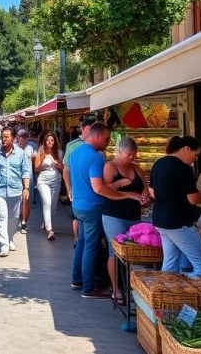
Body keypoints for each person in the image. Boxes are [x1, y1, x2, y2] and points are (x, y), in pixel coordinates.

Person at [69, 122, 137, 299]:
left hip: (78, 205)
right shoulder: (96, 158)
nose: (108, 142)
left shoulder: (75, 152)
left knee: (82, 243)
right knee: (91, 246)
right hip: (93, 206)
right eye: (107, 138)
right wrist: (125, 194)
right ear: (97, 136)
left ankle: (77, 280)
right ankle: (89, 288)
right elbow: (99, 188)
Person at [150, 135, 201, 277]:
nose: (195, 159)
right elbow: (193, 199)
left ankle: (168, 295)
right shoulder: (184, 169)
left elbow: (152, 192)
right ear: (186, 149)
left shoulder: (158, 164)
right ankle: (193, 296)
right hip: (179, 222)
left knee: (170, 262)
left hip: (160, 219)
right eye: (195, 155)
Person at [101, 136, 149, 305]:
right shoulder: (110, 166)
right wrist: (121, 184)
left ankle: (131, 286)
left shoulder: (137, 169)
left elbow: (144, 189)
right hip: (114, 214)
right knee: (115, 251)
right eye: (129, 154)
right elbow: (103, 189)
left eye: (134, 154)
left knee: (133, 253)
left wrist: (144, 197)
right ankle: (116, 289)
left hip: (134, 215)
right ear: (120, 152)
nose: (132, 158)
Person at [0, 127, 32, 257]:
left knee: (14, 218)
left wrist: (26, 188)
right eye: (2, 137)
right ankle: (4, 245)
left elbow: (25, 172)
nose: (3, 139)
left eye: (6, 137)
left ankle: (10, 238)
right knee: (2, 217)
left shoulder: (21, 154)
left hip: (15, 191)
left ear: (13, 138)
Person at [63, 115, 98, 241]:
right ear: (82, 130)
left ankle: (79, 244)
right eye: (89, 130)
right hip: (78, 190)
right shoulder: (72, 145)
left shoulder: (98, 147)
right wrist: (69, 189)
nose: (91, 134)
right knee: (78, 220)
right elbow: (66, 170)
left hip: (93, 193)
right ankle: (76, 240)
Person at [34, 131, 64, 240]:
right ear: (45, 141)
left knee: (53, 205)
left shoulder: (59, 152)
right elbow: (36, 168)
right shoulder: (41, 151)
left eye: (52, 140)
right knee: (47, 202)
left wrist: (56, 163)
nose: (50, 142)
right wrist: (44, 164)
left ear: (55, 141)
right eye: (48, 140)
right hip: (43, 180)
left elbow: (62, 168)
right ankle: (49, 229)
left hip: (56, 180)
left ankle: (46, 222)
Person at [13, 127, 37, 233]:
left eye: (25, 136)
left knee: (26, 200)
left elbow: (36, 161)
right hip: (16, 177)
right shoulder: (13, 147)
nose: (23, 138)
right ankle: (17, 219)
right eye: (21, 136)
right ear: (17, 137)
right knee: (18, 200)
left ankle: (24, 222)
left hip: (29, 177)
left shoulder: (32, 147)